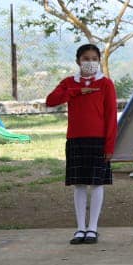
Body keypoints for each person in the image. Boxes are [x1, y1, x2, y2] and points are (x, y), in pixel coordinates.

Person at [45, 43, 118, 245]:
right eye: (86, 59)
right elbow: (51, 100)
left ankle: (92, 228)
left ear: (99, 61)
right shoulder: (69, 83)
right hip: (75, 139)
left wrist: (109, 146)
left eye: (94, 59)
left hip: (98, 140)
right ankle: (80, 228)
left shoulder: (106, 84)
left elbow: (111, 116)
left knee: (96, 184)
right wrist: (76, 92)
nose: (90, 62)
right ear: (78, 61)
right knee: (78, 184)